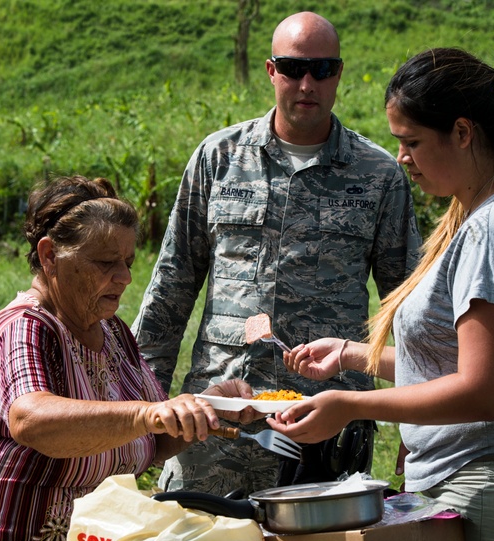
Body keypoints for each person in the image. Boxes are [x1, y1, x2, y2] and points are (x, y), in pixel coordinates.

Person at [271, 48, 494, 541]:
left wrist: (351, 405)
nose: (403, 158)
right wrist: (352, 355)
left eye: (413, 142)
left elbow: (484, 390)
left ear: (462, 132)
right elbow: (460, 361)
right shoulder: (483, 216)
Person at [0, 176, 250, 541]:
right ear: (50, 256)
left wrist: (209, 406)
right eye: (106, 262)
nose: (124, 277)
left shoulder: (113, 334)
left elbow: (148, 441)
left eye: (127, 261)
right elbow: (31, 421)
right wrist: (147, 413)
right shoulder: (24, 328)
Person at [131, 11, 421, 496]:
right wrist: (141, 404)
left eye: (322, 70)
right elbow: (171, 287)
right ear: (271, 71)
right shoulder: (218, 158)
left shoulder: (378, 174)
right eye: (292, 69)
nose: (307, 83)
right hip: (218, 415)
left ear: (339, 74)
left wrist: (417, 426)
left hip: (323, 421)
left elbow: (408, 309)